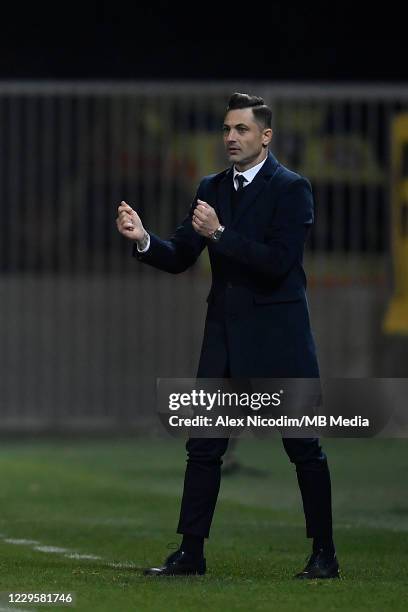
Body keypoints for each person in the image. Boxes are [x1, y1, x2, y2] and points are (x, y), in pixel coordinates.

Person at [116, 93, 339, 579]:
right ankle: (190, 553)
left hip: (280, 339)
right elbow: (180, 256)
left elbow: (279, 264)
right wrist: (145, 239)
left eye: (241, 129)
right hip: (224, 338)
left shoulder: (292, 188)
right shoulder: (211, 187)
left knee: (303, 446)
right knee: (204, 446)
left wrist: (219, 234)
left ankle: (325, 554)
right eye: (226, 129)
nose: (231, 138)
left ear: (266, 136)